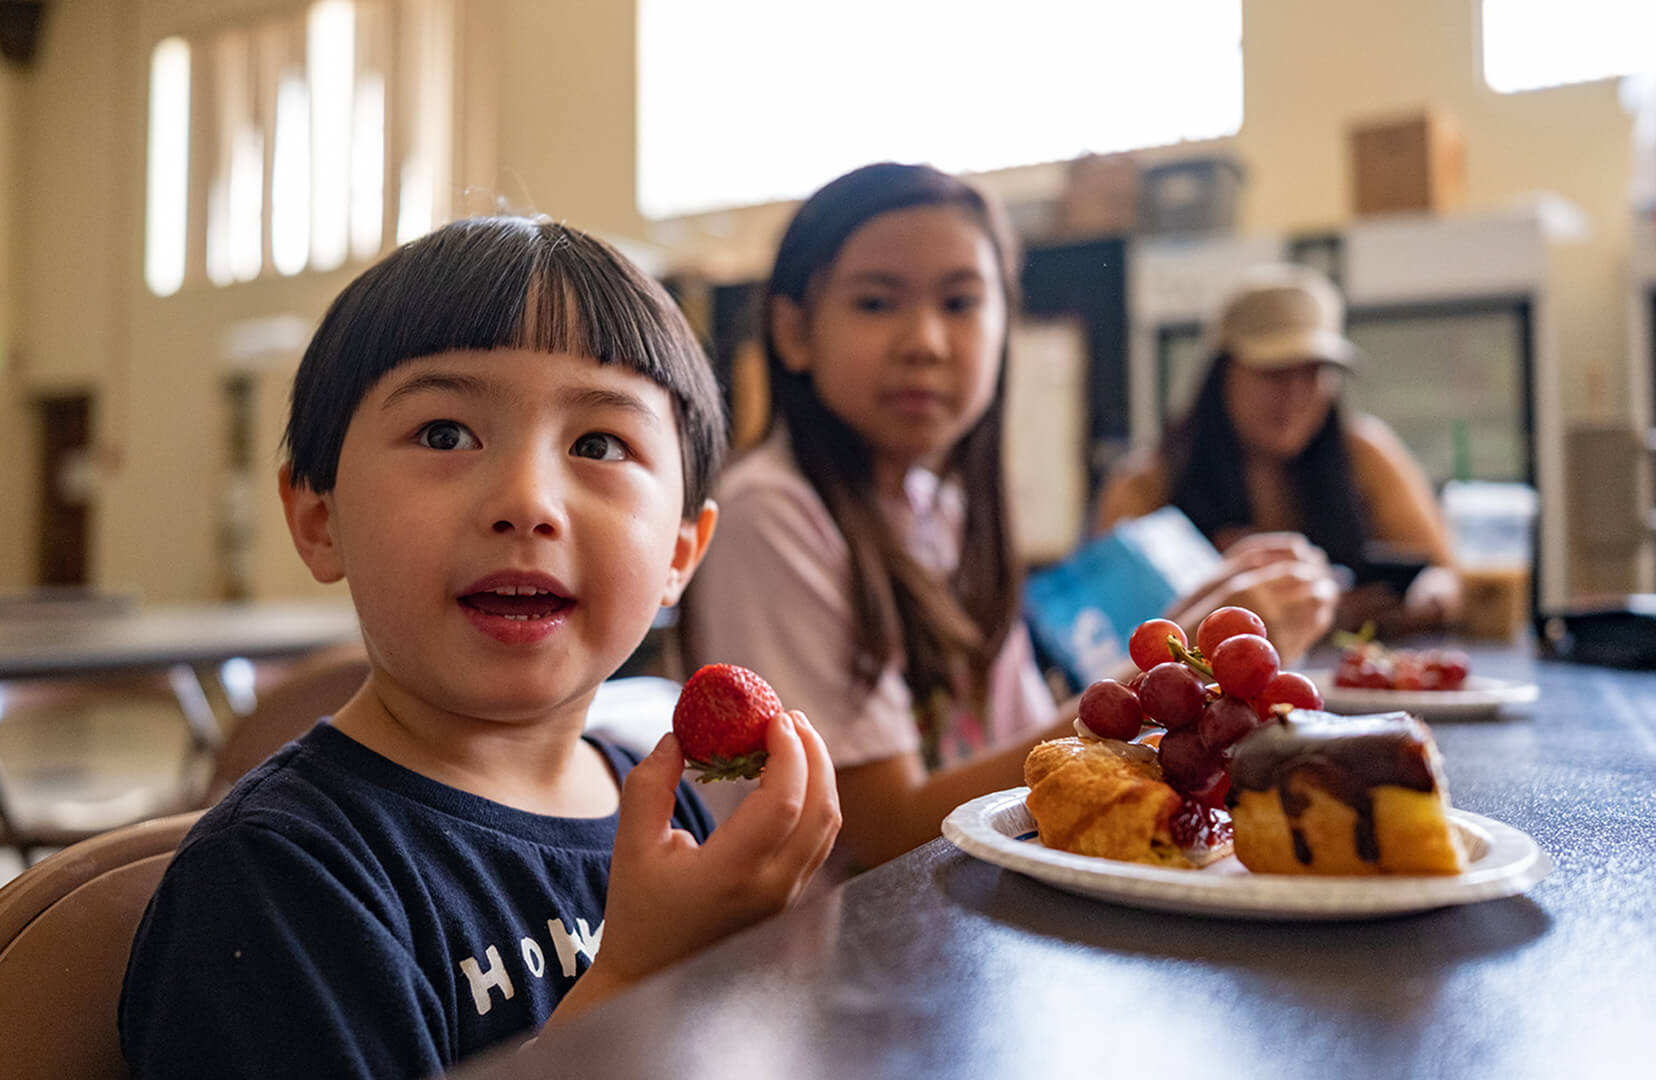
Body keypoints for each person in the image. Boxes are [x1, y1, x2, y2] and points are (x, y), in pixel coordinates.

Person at [119, 217, 841, 1079]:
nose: (527, 499)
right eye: (445, 434)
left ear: (680, 554)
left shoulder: (661, 810)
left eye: (599, 444)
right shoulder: (278, 882)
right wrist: (635, 977)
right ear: (319, 520)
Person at [680, 163, 1336, 874]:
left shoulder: (946, 514)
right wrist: (1154, 680)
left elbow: (1036, 760)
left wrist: (1190, 644)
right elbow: (874, 834)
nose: (926, 341)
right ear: (794, 330)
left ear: (1004, 330)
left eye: (961, 303)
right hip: (842, 955)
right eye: (875, 303)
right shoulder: (770, 513)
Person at [1094, 263, 1461, 634]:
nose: (1295, 394)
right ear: (1223, 372)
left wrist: (1423, 598)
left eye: (1313, 371)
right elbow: (1107, 622)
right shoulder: (1148, 479)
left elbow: (1447, 577)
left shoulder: (1365, 454)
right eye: (1274, 371)